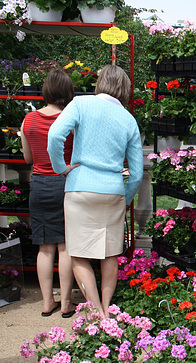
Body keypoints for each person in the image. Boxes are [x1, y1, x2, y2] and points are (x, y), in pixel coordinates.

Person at [47, 65, 143, 318]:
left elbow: (55, 135)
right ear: (125, 89)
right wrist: (125, 198)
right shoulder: (128, 119)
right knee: (110, 254)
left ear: (100, 82)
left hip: (80, 187)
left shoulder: (81, 103)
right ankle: (108, 309)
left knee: (78, 255)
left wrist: (61, 168)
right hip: (113, 191)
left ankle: (98, 313)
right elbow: (137, 172)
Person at [20, 70, 77, 318]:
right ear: (67, 92)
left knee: (45, 248)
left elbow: (27, 158)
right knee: (65, 247)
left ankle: (47, 303)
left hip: (40, 184)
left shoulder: (28, 120)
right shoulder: (70, 119)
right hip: (64, 183)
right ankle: (65, 303)